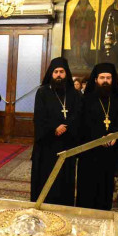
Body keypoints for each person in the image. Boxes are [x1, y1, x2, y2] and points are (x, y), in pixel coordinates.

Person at [30, 57, 82, 206]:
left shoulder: (75, 94)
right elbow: (39, 116)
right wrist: (54, 128)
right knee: (46, 176)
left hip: (67, 143)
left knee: (65, 177)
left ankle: (64, 205)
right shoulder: (42, 92)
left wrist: (66, 127)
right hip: (47, 144)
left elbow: (78, 114)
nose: (58, 74)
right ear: (51, 74)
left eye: (61, 71)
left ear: (66, 73)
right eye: (56, 72)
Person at [76, 63, 118, 210]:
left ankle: (103, 211)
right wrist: (99, 137)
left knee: (106, 185)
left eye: (108, 78)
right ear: (96, 80)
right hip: (90, 152)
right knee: (88, 186)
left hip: (109, 152)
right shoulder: (86, 100)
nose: (105, 81)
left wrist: (114, 135)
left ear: (112, 80)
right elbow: (82, 123)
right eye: (102, 77)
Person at [69, 0, 96, 69]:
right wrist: (76, 18)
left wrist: (87, 19)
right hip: (77, 33)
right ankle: (77, 63)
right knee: (77, 49)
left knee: (85, 48)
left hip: (86, 33)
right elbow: (71, 20)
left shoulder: (90, 9)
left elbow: (93, 21)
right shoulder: (77, 9)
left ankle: (85, 63)